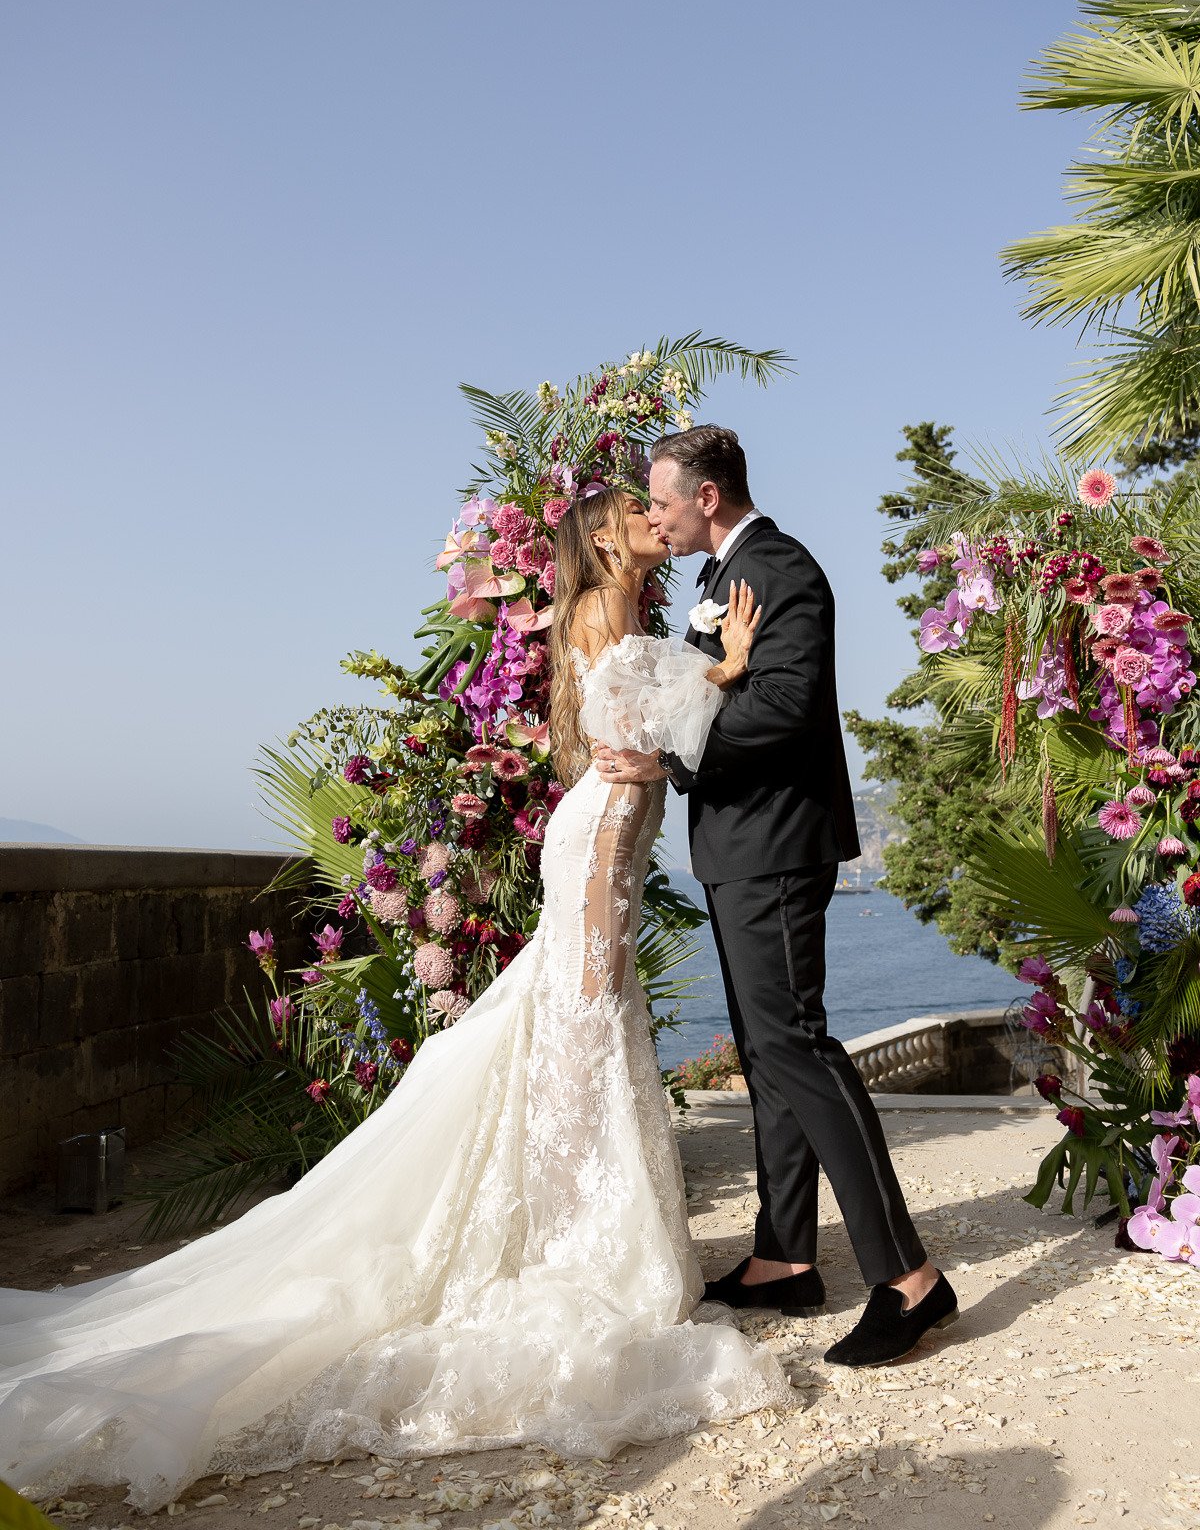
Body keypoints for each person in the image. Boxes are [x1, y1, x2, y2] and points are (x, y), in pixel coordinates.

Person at [0, 487, 787, 1512]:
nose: (652, 518)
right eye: (637, 511)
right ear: (602, 537)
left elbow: (640, 737)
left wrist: (701, 676)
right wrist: (724, 666)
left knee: (587, 1038)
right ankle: (570, 1244)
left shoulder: (622, 613)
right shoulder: (602, 611)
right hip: (597, 843)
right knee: (584, 1030)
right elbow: (638, 735)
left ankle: (582, 1229)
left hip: (606, 833)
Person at [594, 426, 959, 1368]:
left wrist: (671, 752)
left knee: (796, 1045)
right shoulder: (722, 577)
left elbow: (784, 705)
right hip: (736, 845)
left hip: (775, 842)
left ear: (706, 495)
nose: (656, 514)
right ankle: (784, 1256)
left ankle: (910, 1280)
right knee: (767, 1052)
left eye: (662, 499)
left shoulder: (782, 567)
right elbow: (711, 687)